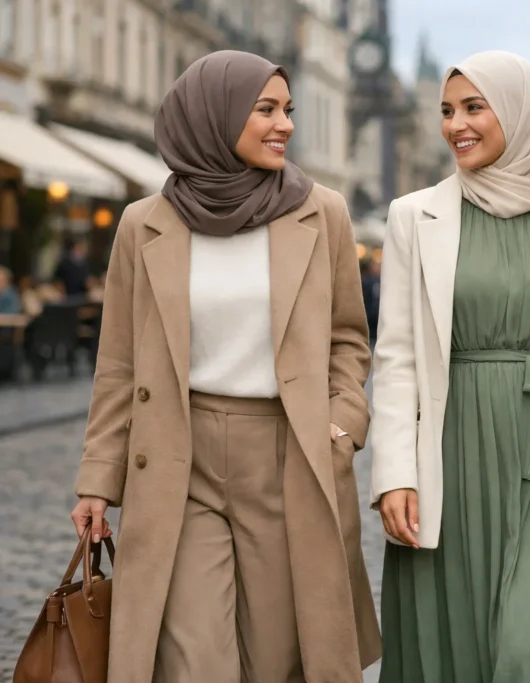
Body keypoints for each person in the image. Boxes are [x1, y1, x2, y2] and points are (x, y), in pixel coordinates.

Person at [70, 50, 380, 683]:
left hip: (287, 450)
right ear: (214, 115)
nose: (285, 125)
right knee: (192, 659)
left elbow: (349, 340)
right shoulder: (143, 224)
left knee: (277, 657)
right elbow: (120, 362)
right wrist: (98, 477)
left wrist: (344, 423)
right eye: (265, 109)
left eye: (287, 110)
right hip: (178, 457)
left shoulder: (322, 212)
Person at [370, 50, 530, 683]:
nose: (455, 124)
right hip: (450, 450)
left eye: (473, 107)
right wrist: (393, 475)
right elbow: (397, 355)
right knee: (457, 643)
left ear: (522, 113)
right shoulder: (414, 217)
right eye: (446, 110)